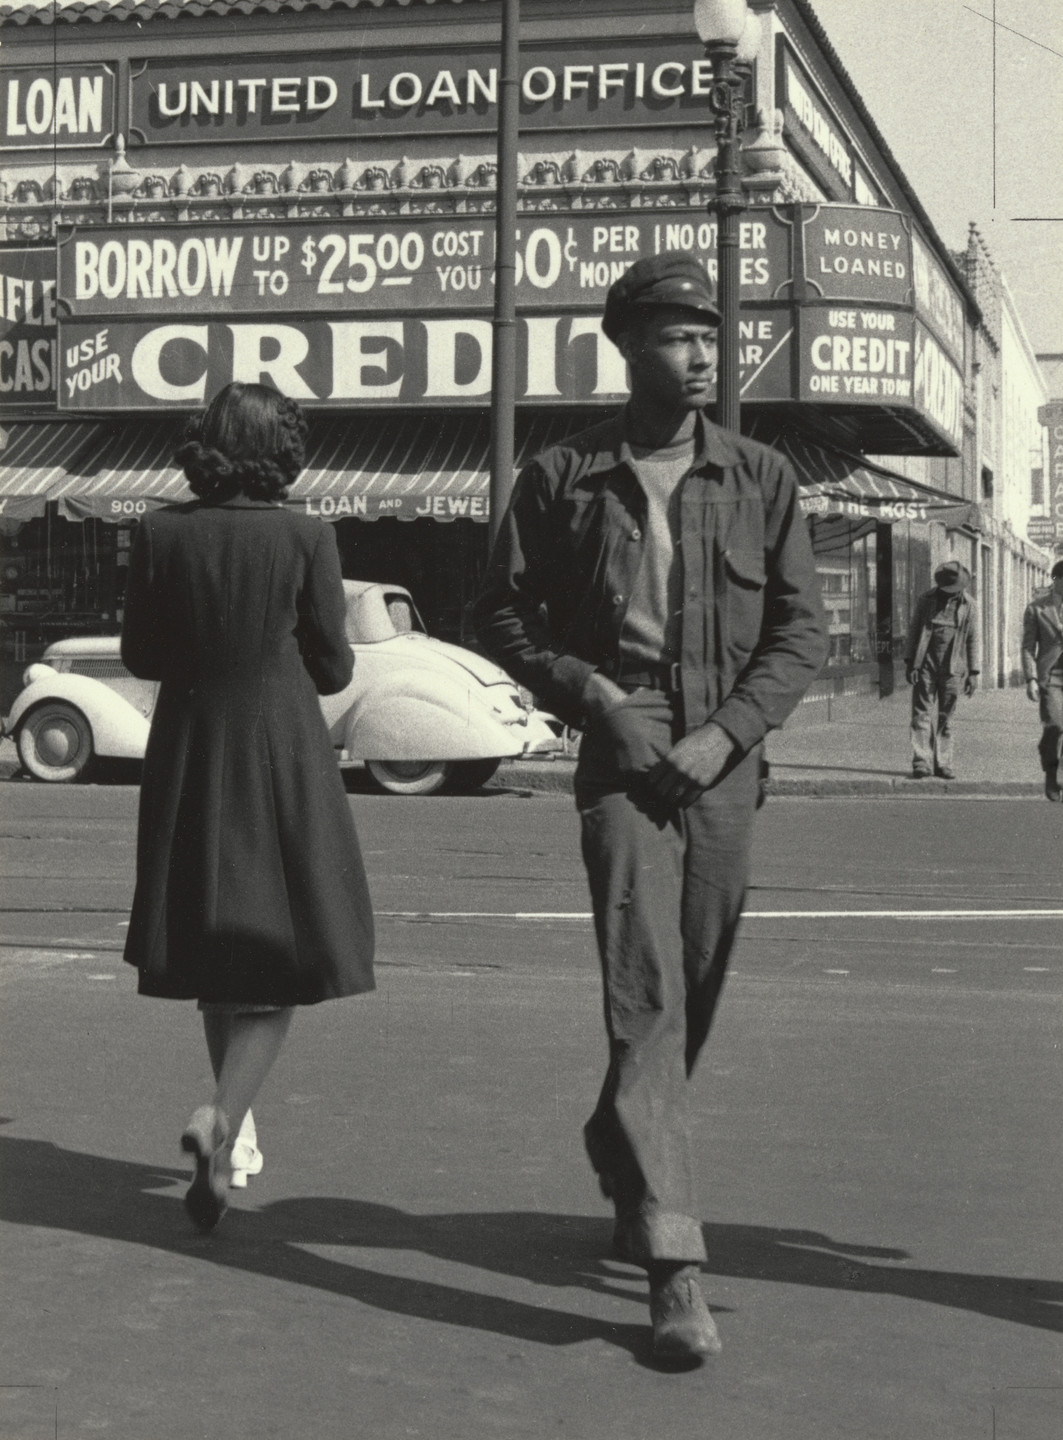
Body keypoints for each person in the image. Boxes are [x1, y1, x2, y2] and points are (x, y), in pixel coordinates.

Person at [473, 252, 827, 1363]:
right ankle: (675, 1269)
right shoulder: (563, 474)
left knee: (697, 988)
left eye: (710, 335)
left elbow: (801, 634)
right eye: (677, 335)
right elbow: (499, 614)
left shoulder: (761, 477)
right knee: (646, 992)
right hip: (621, 754)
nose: (701, 352)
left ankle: (614, 1141)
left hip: (723, 758)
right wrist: (592, 704)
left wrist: (726, 734)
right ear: (624, 347)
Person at [121, 381, 375, 1233]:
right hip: (278, 748)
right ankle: (221, 1119)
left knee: (211, 943)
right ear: (283, 449)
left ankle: (228, 1151)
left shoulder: (159, 533)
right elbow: (335, 667)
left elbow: (142, 652)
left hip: (191, 745)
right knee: (284, 953)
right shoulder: (307, 534)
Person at [903, 560, 980, 780]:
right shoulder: (926, 600)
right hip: (925, 664)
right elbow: (914, 630)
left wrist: (974, 673)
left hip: (953, 668)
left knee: (947, 717)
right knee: (921, 715)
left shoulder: (970, 605)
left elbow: (973, 640)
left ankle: (944, 763)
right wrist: (911, 663)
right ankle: (921, 762)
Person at [1021, 557, 1063, 801]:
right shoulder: (1036, 609)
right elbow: (1028, 647)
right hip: (1051, 677)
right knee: (1056, 724)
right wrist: (1031, 679)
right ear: (1055, 580)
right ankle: (1050, 772)